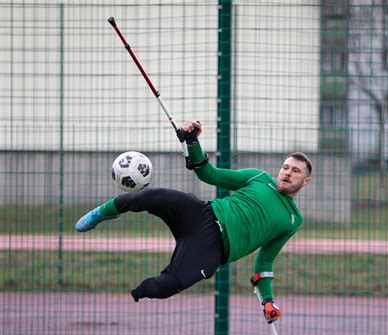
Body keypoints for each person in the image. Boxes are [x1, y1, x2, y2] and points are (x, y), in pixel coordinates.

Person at [75, 120, 312, 323]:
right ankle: (104, 212)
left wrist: (268, 301)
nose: (287, 173)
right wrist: (192, 141)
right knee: (151, 196)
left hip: (213, 249)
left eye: (295, 171)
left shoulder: (293, 220)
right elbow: (209, 174)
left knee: (165, 286)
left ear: (306, 181)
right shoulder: (259, 178)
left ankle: (133, 293)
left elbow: (265, 259)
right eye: (285, 167)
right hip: (202, 215)